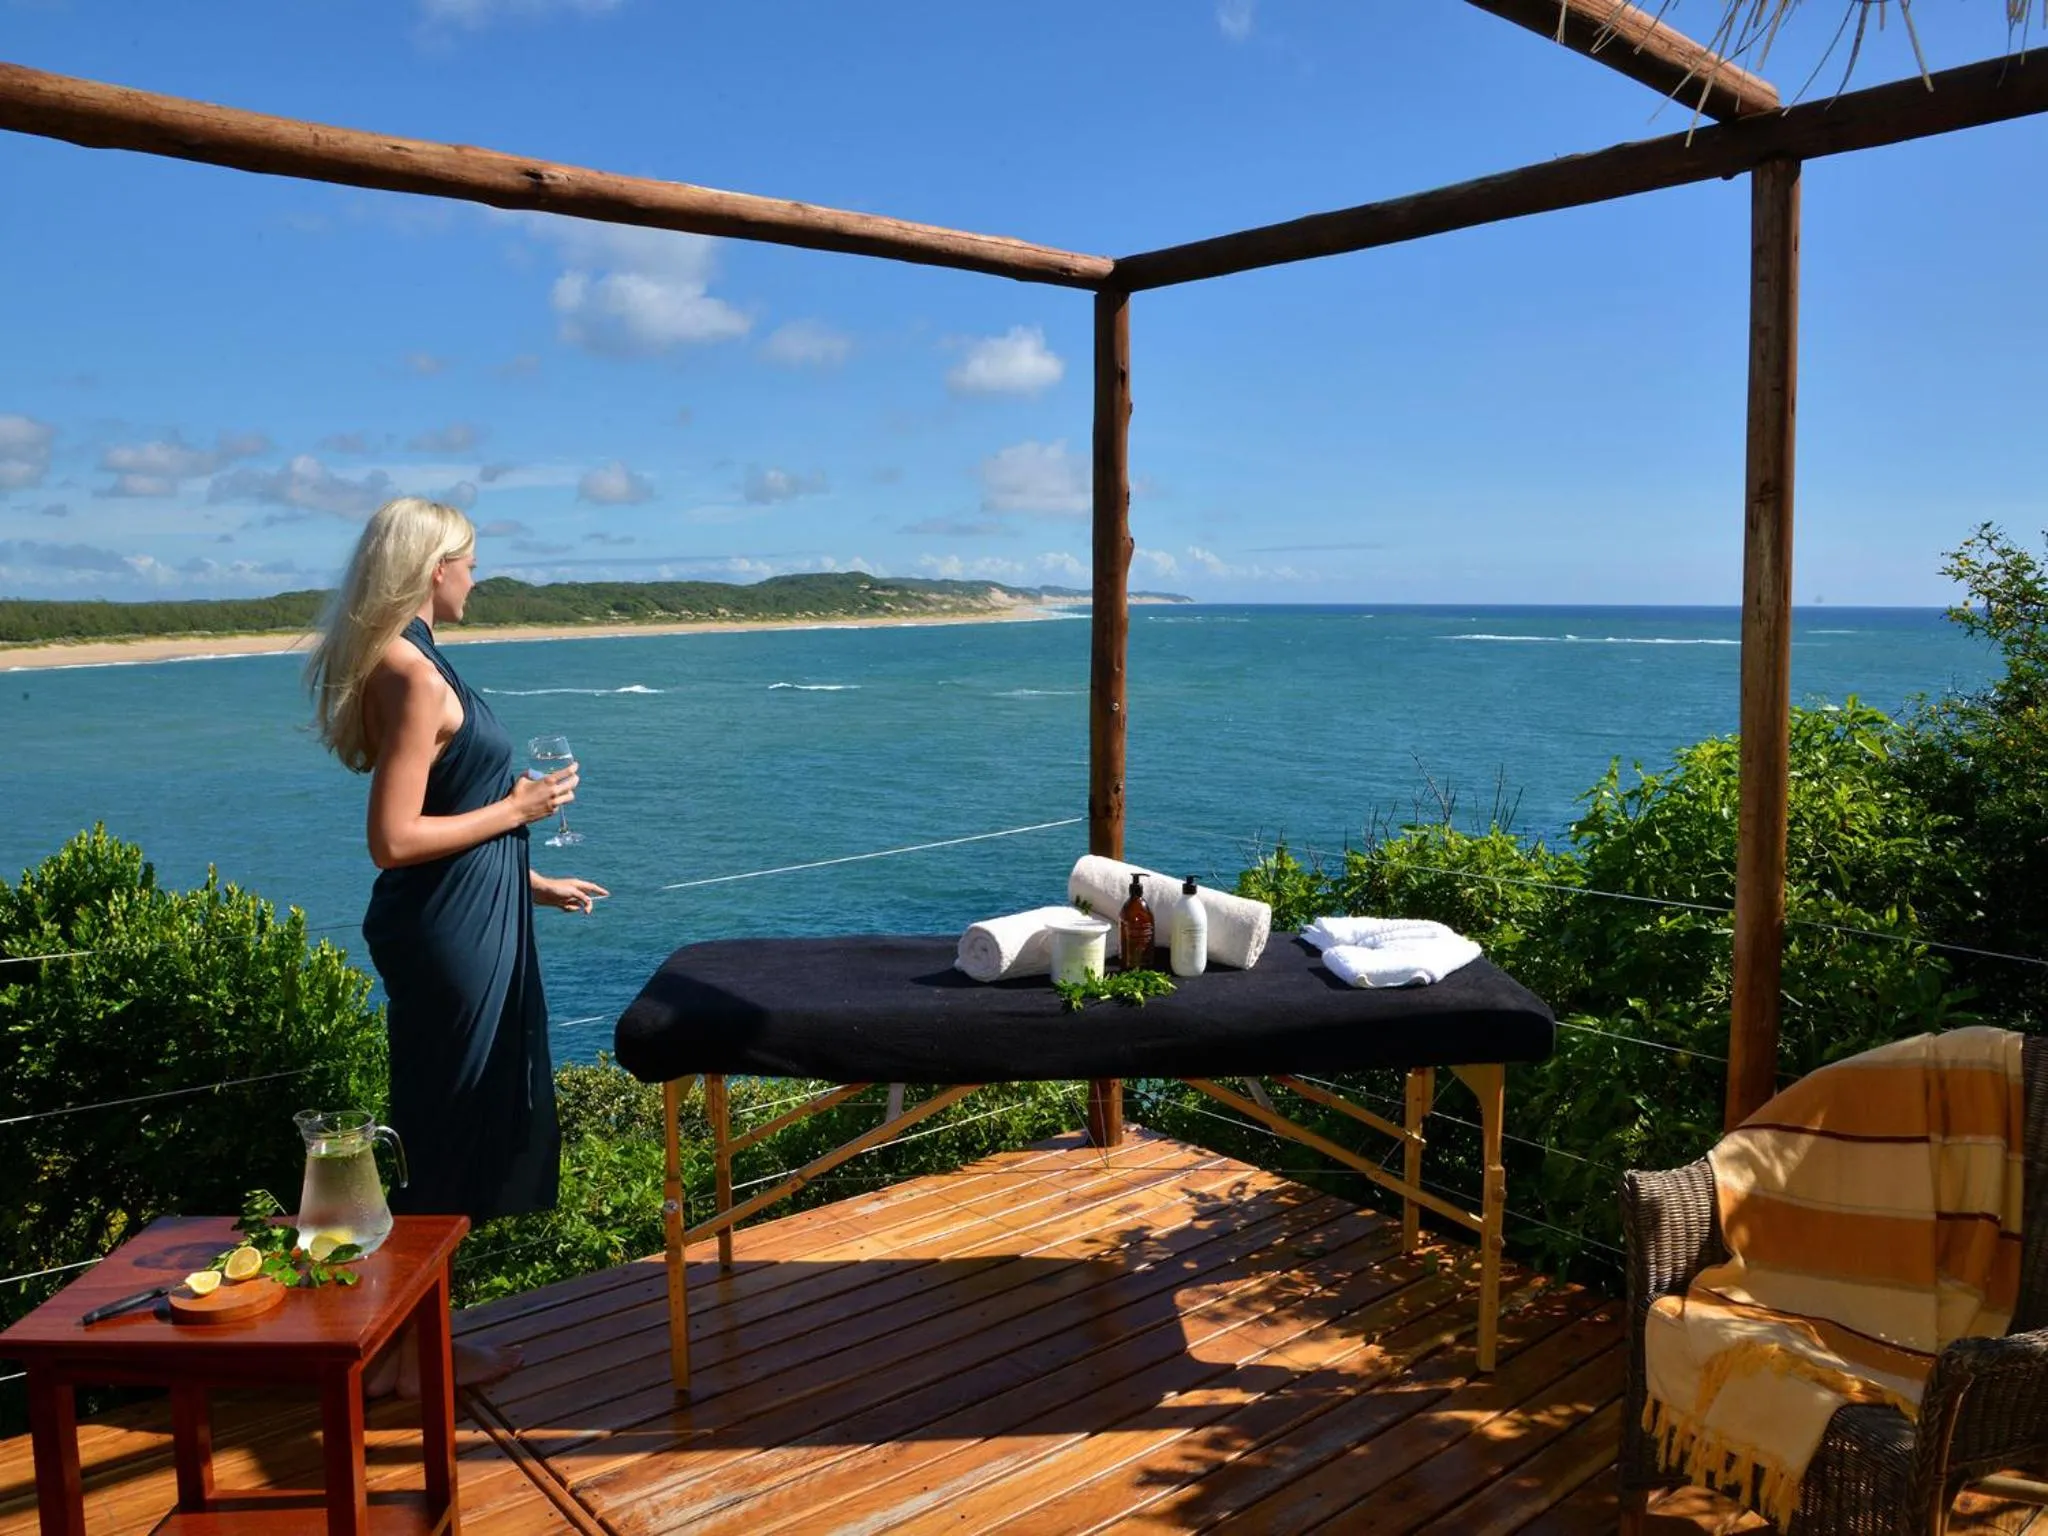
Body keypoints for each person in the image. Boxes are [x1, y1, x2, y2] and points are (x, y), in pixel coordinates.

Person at [306, 496, 606, 1392]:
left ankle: (416, 1344)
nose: (477, 576)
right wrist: (518, 810)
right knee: (447, 1130)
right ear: (435, 568)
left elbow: (444, 815)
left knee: (463, 1123)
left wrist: (528, 878)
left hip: (470, 916)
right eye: (469, 561)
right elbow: (394, 839)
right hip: (447, 937)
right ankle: (405, 1353)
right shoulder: (411, 672)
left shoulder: (420, 659)